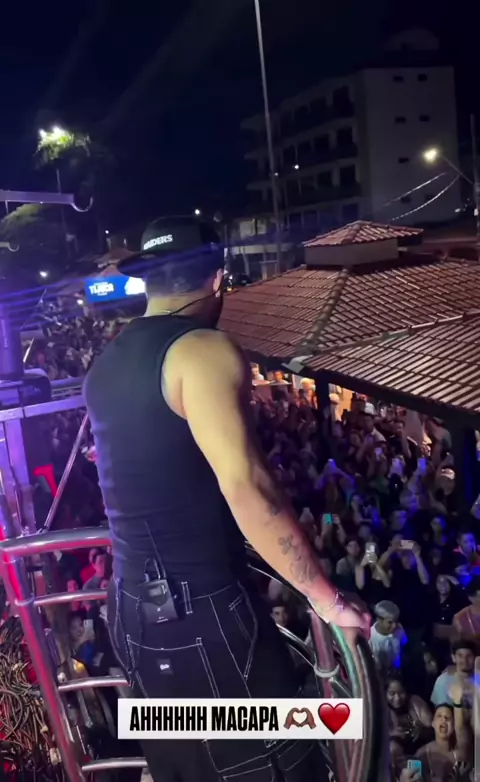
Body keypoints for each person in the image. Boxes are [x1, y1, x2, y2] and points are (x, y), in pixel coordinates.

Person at [83, 215, 369, 782]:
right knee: (281, 760)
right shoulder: (202, 350)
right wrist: (327, 599)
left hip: (133, 610)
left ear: (148, 281)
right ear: (218, 280)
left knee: (186, 764)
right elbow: (247, 486)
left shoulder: (105, 362)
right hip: (200, 617)